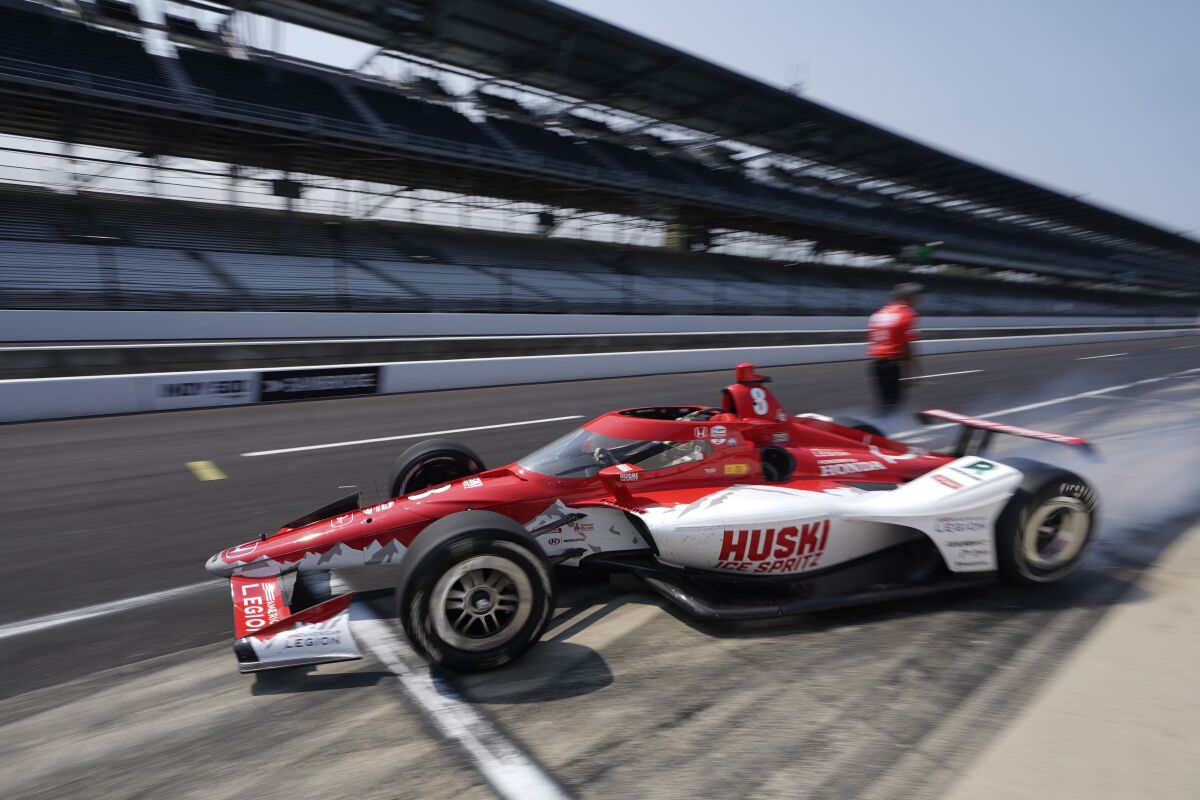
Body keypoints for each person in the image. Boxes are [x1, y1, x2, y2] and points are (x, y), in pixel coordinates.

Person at [866, 282, 922, 413]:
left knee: (883, 403)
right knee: (893, 405)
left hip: (876, 364)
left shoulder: (879, 313)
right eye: (917, 296)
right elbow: (907, 347)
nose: (919, 299)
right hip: (892, 365)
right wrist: (911, 373)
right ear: (910, 296)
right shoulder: (907, 314)